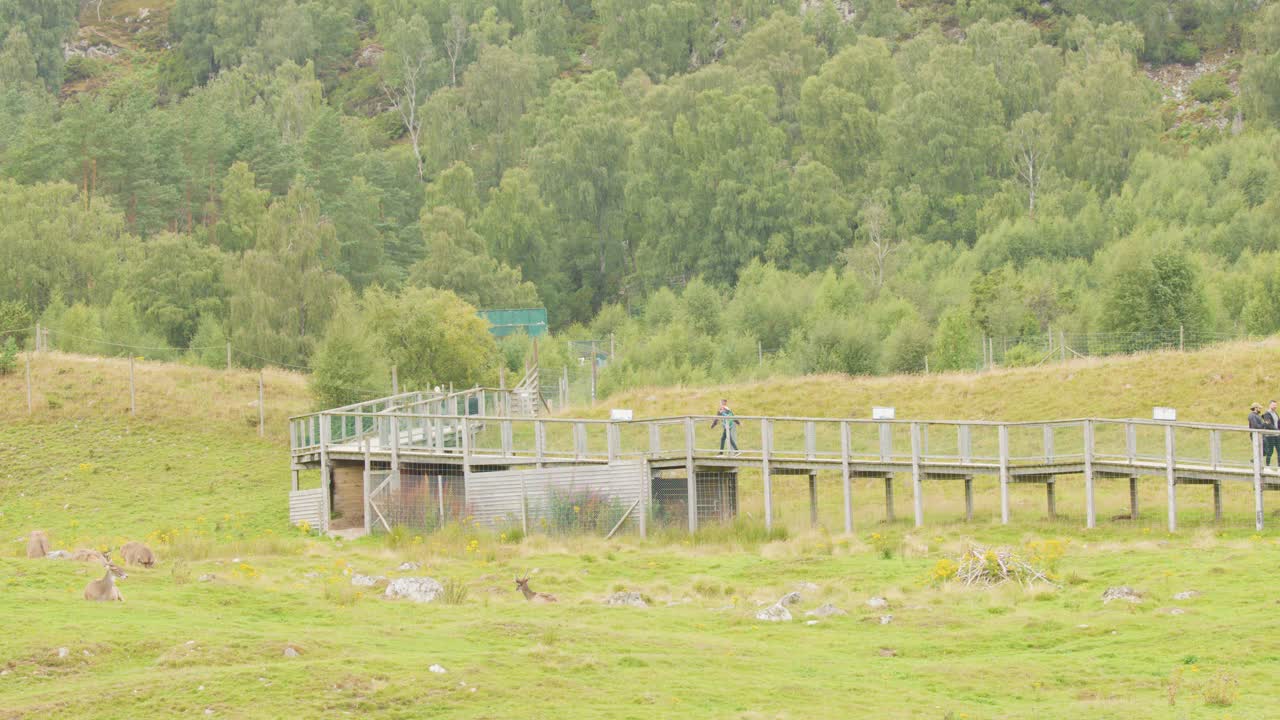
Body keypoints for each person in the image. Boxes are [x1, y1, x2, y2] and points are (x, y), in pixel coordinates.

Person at [1267, 401, 1280, 467]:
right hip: (1270, 436)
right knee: (1270, 451)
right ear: (1269, 405)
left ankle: (1279, 466)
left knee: (1279, 451)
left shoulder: (1275, 413)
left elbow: (1278, 423)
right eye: (1273, 405)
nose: (1275, 406)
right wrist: (1276, 430)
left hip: (1277, 435)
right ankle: (1267, 466)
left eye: (1276, 405)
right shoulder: (1266, 414)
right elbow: (1269, 424)